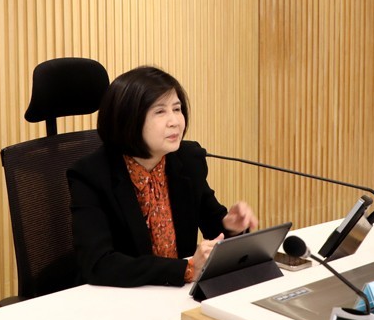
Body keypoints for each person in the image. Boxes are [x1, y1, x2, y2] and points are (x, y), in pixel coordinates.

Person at [67, 65, 258, 287]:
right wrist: (185, 269)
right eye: (160, 112)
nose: (174, 121)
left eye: (177, 109)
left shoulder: (187, 160)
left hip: (174, 294)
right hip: (119, 297)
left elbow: (214, 227)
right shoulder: (91, 175)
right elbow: (99, 264)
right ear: (129, 119)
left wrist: (230, 225)